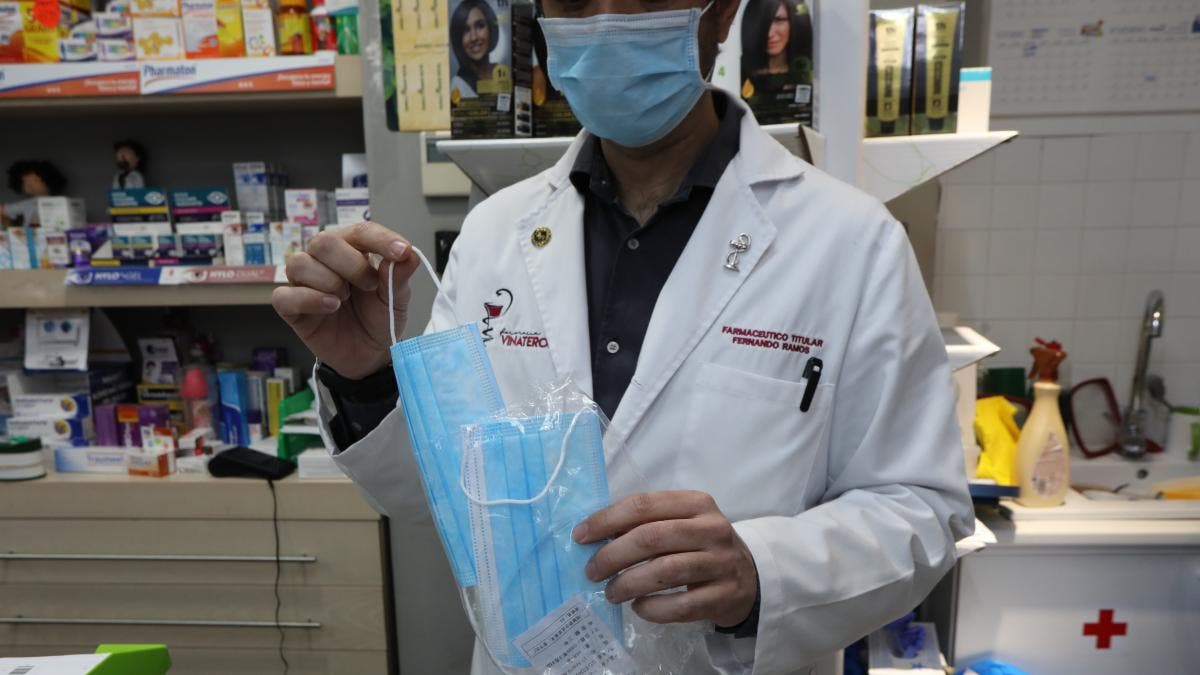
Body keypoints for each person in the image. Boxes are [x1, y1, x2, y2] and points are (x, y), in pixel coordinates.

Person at [273, 0, 973, 672]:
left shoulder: (850, 241)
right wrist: (366, 380)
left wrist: (763, 570)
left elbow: (922, 510)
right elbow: (445, 501)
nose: (608, 24)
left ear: (722, 11)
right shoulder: (494, 234)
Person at [740, 0, 813, 124]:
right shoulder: (740, 73)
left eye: (779, 20)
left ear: (795, 22)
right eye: (764, 22)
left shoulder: (812, 74)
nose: (769, 33)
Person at [449, 0, 500, 99]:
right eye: (466, 30)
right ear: (458, 39)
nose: (474, 37)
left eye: (480, 26)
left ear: (490, 28)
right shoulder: (458, 85)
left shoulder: (501, 72)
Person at [2, 159, 67, 227]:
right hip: (29, 232)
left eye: (36, 180)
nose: (31, 185)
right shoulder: (27, 203)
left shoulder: (61, 202)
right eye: (25, 182)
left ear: (48, 179)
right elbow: (5, 210)